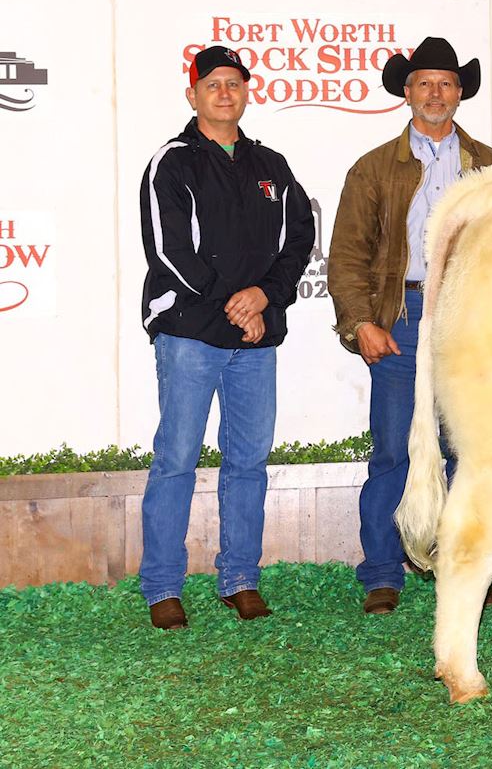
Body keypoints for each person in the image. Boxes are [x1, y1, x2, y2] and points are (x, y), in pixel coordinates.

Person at [328, 37, 492, 615]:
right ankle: (382, 571)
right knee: (392, 450)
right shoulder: (373, 169)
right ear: (406, 93)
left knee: (472, 451)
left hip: (471, 323)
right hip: (402, 321)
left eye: (446, 84)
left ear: (460, 93)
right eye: (424, 84)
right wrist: (360, 322)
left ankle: (468, 570)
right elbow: (347, 255)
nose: (435, 94)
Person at [136, 45, 315, 629]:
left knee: (248, 461)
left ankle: (240, 578)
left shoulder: (272, 166)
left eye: (233, 82)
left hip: (256, 337)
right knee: (177, 459)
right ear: (192, 94)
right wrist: (235, 305)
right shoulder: (174, 161)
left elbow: (298, 242)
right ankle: (163, 585)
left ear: (245, 93)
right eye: (211, 83)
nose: (223, 92)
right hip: (190, 331)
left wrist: (265, 296)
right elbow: (169, 250)